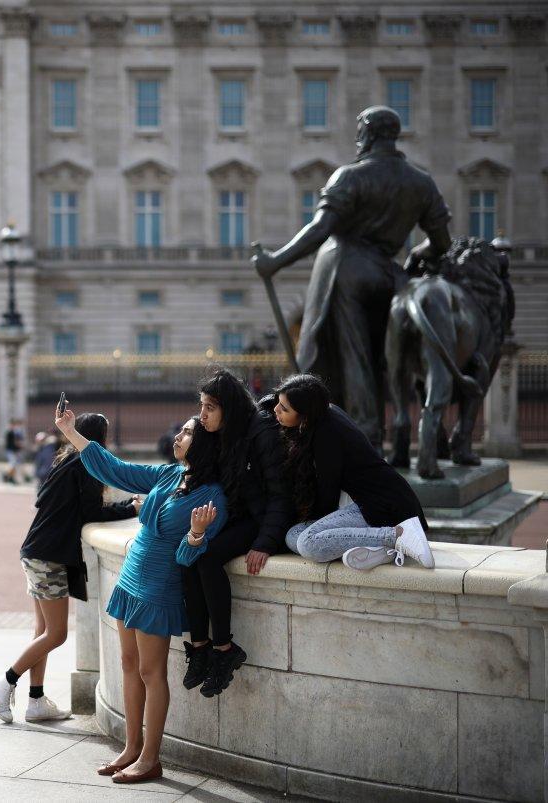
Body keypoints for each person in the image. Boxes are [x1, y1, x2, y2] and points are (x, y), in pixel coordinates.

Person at [252, 106, 452, 449]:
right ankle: (398, 432)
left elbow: (321, 229)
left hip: (345, 268)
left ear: (370, 134)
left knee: (352, 356)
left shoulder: (350, 176)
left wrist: (275, 261)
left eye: (360, 131)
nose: (357, 137)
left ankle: (366, 436)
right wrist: (418, 254)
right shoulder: (421, 182)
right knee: (383, 358)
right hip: (390, 275)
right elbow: (442, 242)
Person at [60, 411, 227, 784]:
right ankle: (131, 748)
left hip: (159, 585)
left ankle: (151, 758)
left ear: (205, 445)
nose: (177, 435)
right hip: (132, 576)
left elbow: (188, 558)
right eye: (180, 429)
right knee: (128, 663)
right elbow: (117, 469)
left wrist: (197, 534)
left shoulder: (213, 495)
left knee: (152, 673)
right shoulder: (170, 474)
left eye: (186, 432)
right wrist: (71, 432)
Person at [0, 413, 139, 725]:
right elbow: (90, 512)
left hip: (35, 550)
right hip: (49, 556)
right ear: (101, 439)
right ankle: (5, 681)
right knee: (55, 634)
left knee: (42, 631)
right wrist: (131, 507)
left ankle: (36, 701)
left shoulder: (66, 461)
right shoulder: (86, 463)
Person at [182, 369, 293, 698]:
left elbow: (280, 495)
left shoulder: (260, 432)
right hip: (236, 515)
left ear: (227, 408)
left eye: (209, 408)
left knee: (209, 557)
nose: (201, 416)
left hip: (260, 520)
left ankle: (225, 649)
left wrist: (264, 543)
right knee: (188, 554)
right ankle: (201, 647)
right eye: (201, 406)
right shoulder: (219, 433)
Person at [271, 374, 434, 571]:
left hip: (384, 506)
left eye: (284, 408)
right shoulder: (324, 414)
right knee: (293, 535)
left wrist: (320, 530)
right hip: (364, 503)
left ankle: (397, 536)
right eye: (278, 403)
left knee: (308, 543)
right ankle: (382, 549)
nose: (276, 410)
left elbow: (327, 496)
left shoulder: (326, 433)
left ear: (305, 415)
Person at [2, 419, 27, 484]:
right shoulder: (10, 433)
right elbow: (14, 443)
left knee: (14, 465)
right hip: (11, 451)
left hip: (13, 451)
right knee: (13, 465)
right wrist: (20, 445)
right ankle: (6, 477)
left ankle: (10, 477)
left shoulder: (13, 432)